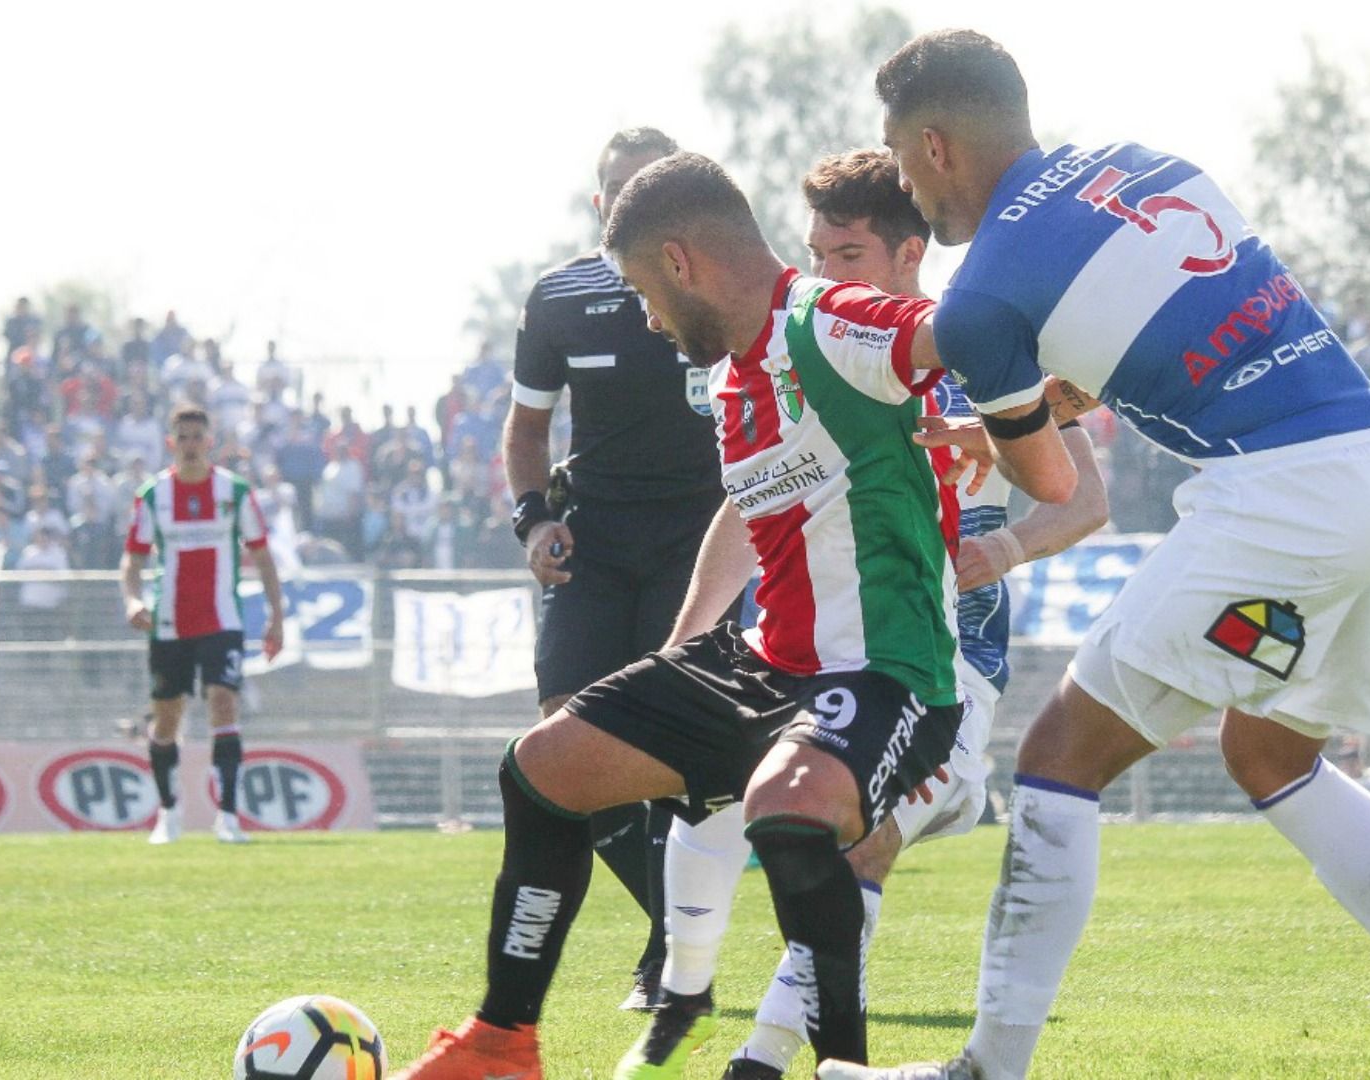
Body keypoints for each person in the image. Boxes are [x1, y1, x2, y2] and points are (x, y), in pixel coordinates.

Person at [826, 30, 1370, 1080]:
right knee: (1269, 755)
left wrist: (1008, 423)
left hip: (1285, 498)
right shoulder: (1145, 164)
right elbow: (1159, 332)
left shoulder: (979, 297)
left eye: (897, 153)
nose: (901, 180)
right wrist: (1036, 409)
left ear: (935, 144)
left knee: (1056, 757)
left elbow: (1051, 481)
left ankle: (989, 1066)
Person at [391, 152, 982, 1080]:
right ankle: (502, 1044)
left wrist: (1027, 407)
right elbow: (750, 516)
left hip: (884, 668)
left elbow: (966, 328)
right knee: (540, 768)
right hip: (758, 665)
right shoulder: (737, 377)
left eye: (642, 292)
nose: (648, 319)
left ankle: (843, 1070)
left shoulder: (826, 319)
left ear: (679, 261)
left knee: (787, 811)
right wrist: (676, 656)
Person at [623, 150, 1108, 1080]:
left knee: (867, 837)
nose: (822, 272)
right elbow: (745, 501)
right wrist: (688, 639)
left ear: (908, 255)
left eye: (845, 253)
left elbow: (1085, 500)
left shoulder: (971, 355)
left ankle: (760, 1058)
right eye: (814, 250)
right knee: (711, 800)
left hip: (949, 663)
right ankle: (678, 993)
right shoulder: (801, 346)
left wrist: (1001, 551)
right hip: (826, 649)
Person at [500, 126, 730, 1010]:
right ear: (601, 204)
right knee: (563, 744)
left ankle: (666, 961)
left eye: (651, 185)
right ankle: (675, 932)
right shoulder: (559, 298)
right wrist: (535, 521)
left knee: (668, 753)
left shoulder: (727, 285)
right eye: (618, 189)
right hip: (594, 544)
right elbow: (526, 429)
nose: (630, 200)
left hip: (698, 541)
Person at [120, 404, 284, 846]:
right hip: (169, 622)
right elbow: (133, 560)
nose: (191, 445)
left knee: (223, 702)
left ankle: (228, 816)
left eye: (198, 437)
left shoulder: (235, 491)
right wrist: (133, 599)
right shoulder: (153, 496)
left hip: (222, 620)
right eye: (183, 437)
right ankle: (168, 812)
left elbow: (263, 555)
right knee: (168, 718)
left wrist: (276, 617)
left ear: (210, 442)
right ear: (171, 443)